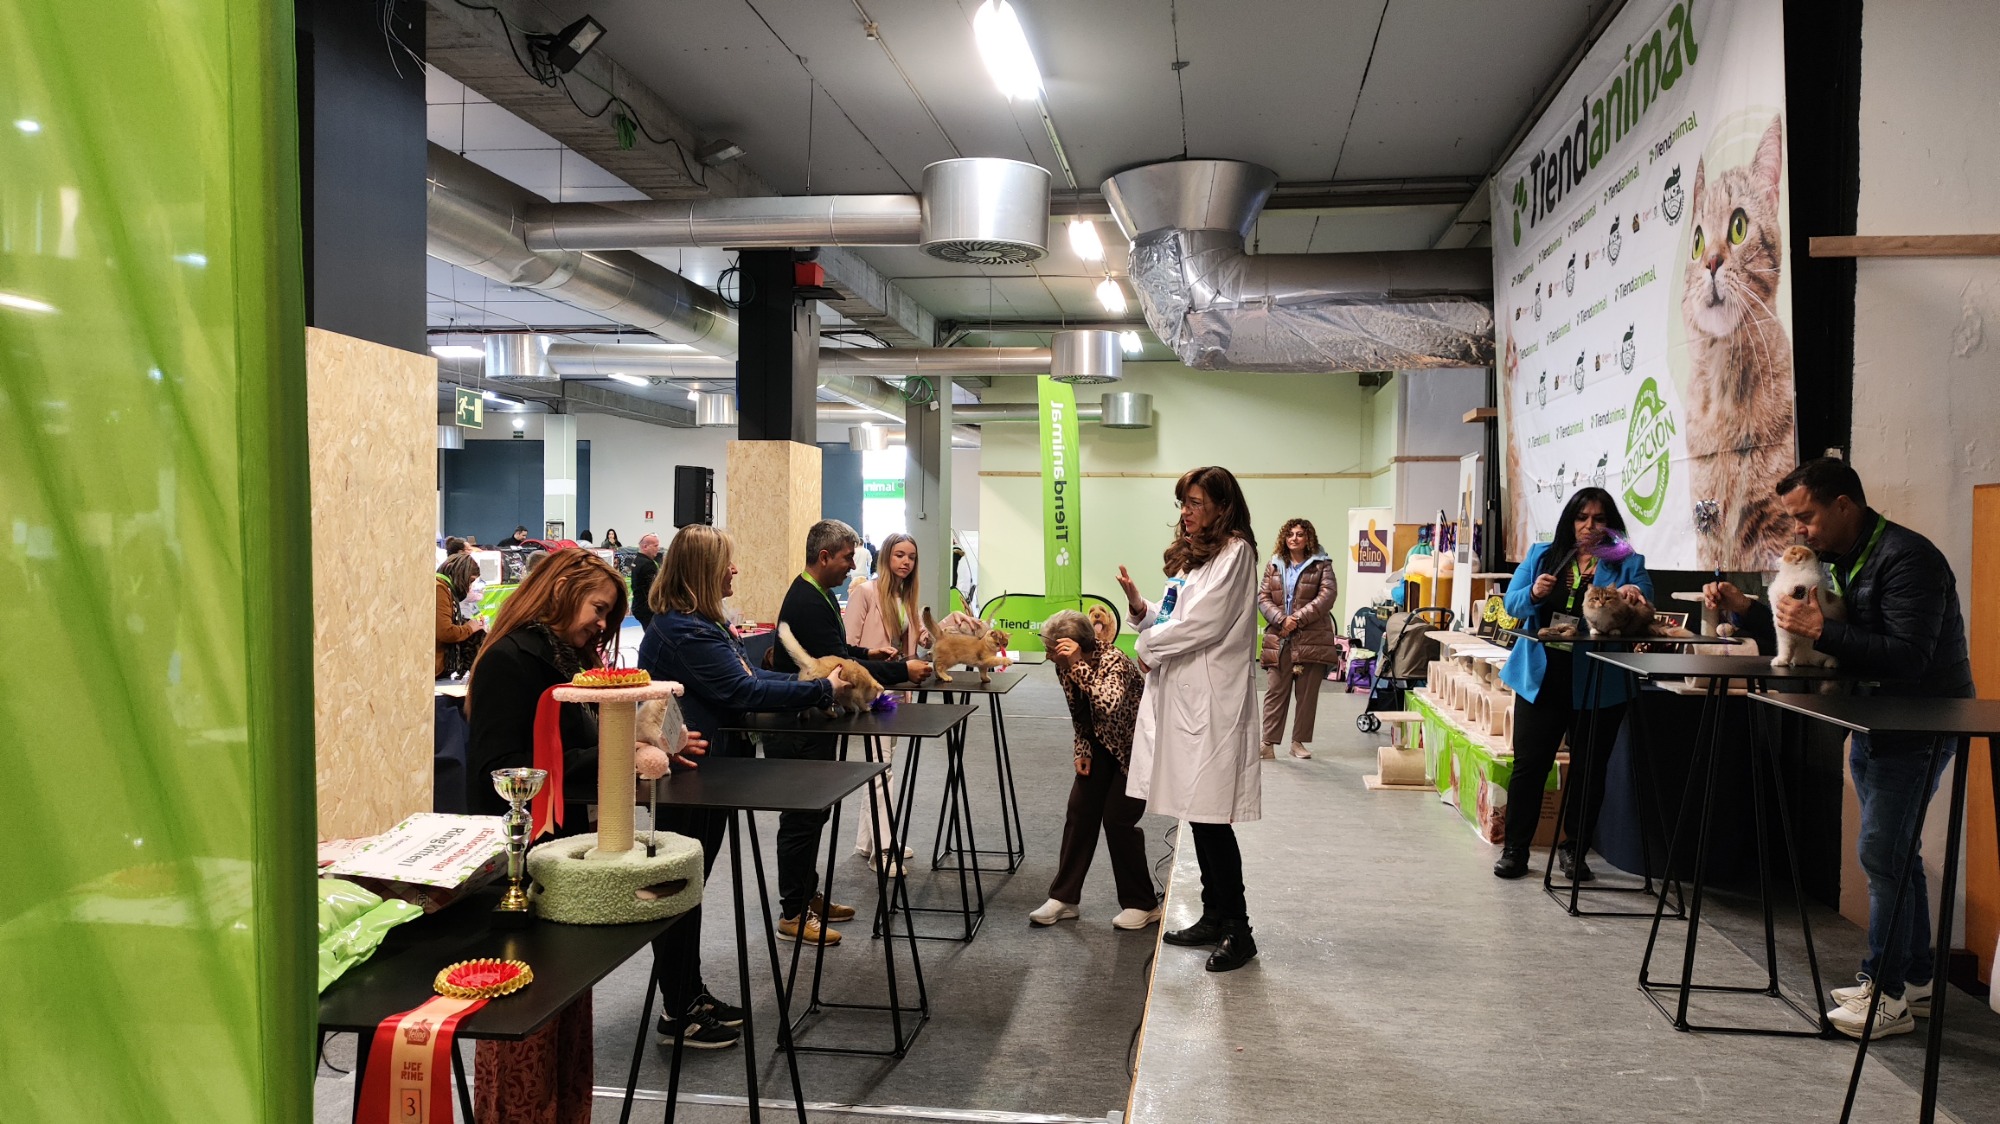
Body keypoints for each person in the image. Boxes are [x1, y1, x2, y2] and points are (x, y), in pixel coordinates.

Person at [1704, 458, 1972, 1040]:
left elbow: (1910, 656)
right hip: (1872, 721)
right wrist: (1752, 610)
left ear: (1844, 505)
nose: (1799, 530)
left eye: (1806, 517)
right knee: (1895, 853)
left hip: (1917, 724)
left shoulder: (1909, 559)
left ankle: (1887, 995)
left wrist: (1822, 631)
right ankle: (1917, 979)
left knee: (1882, 853)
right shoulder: (1842, 560)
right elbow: (1827, 630)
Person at [638, 524, 844, 1049]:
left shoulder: (702, 625)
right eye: (726, 562)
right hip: (691, 779)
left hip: (711, 776)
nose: (734, 569)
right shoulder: (686, 630)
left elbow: (749, 679)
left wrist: (811, 686)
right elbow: (741, 690)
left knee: (689, 892)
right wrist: (819, 689)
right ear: (703, 570)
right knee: (678, 895)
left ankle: (688, 995)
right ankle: (679, 1012)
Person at [1117, 466, 1263, 973]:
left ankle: (1239, 929)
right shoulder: (1200, 556)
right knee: (1197, 814)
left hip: (1211, 703)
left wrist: (1147, 647)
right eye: (1183, 503)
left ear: (1222, 506)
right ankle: (1213, 914)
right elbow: (1175, 615)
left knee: (1211, 816)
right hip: (1185, 698)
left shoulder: (1236, 553)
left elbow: (1205, 623)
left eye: (1195, 503)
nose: (1186, 512)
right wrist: (1141, 611)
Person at [767, 520, 932, 944]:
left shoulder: (819, 593)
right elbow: (843, 668)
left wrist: (865, 652)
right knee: (802, 819)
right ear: (824, 557)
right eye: (846, 558)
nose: (851, 566)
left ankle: (807, 896)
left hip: (815, 720)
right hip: (800, 724)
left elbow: (839, 654)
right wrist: (901, 669)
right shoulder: (808, 599)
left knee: (814, 815)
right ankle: (792, 913)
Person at [1491, 487, 1655, 883]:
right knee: (1529, 766)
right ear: (1571, 520)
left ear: (1611, 525)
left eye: (1599, 519)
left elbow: (1646, 603)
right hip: (1541, 677)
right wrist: (1534, 592)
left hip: (1600, 682)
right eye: (1582, 518)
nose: (1589, 526)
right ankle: (1516, 849)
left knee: (1589, 770)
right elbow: (1511, 604)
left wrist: (1634, 596)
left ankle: (1574, 850)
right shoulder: (1542, 555)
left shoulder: (1627, 562)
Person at [464, 549, 633, 819]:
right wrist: (613, 755)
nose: (602, 623)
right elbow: (498, 770)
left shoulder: (565, 660)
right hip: (530, 832)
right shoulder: (509, 659)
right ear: (561, 590)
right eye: (599, 608)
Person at [1029, 610, 1161, 930]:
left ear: (1071, 646)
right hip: (1101, 744)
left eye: (1051, 648)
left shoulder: (1113, 660)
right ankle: (1064, 898)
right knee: (1080, 811)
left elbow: (1108, 703)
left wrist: (1077, 665)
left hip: (1137, 749)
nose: (1047, 655)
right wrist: (1083, 749)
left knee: (1118, 820)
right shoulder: (1064, 665)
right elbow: (1080, 712)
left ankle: (1143, 904)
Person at [843, 532, 930, 864]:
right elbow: (847, 646)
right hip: (871, 689)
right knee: (882, 767)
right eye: (899, 555)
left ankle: (866, 842)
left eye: (911, 557)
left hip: (895, 687)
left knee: (882, 762)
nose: (906, 562)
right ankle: (883, 848)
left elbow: (920, 638)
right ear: (886, 558)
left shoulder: (906, 597)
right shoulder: (865, 592)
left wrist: (946, 628)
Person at [1257, 518, 1339, 760]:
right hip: (1279, 636)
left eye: (1300, 534)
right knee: (1275, 691)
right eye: (1290, 534)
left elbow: (1327, 595)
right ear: (1284, 538)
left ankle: (1298, 743)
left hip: (1311, 638)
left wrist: (1297, 619)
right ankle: (1267, 744)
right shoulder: (1274, 564)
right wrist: (1282, 619)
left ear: (1308, 538)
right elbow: (1263, 597)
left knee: (1306, 695)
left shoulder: (1322, 564)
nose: (1294, 538)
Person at [435, 553, 486, 679]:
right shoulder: (440, 589)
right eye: (470, 581)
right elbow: (445, 632)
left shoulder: (441, 587)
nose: (469, 587)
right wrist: (470, 627)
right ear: (462, 575)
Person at [630, 533, 662, 630]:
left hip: (638, 605)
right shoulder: (648, 564)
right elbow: (653, 589)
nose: (658, 548)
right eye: (655, 546)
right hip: (647, 608)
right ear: (645, 547)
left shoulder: (637, 560)